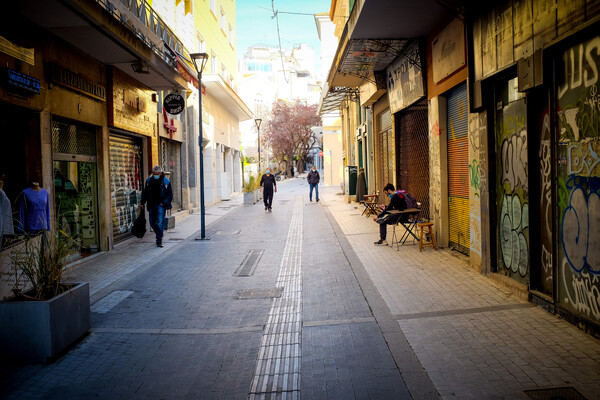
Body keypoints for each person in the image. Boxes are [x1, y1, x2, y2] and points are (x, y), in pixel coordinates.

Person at [140, 166, 172, 247]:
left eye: (157, 174)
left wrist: (164, 203)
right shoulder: (148, 181)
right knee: (152, 223)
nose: (155, 175)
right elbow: (145, 193)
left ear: (161, 173)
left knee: (160, 223)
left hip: (161, 205)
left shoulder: (166, 181)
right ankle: (159, 234)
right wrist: (142, 202)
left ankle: (159, 240)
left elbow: (169, 195)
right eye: (154, 174)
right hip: (151, 205)